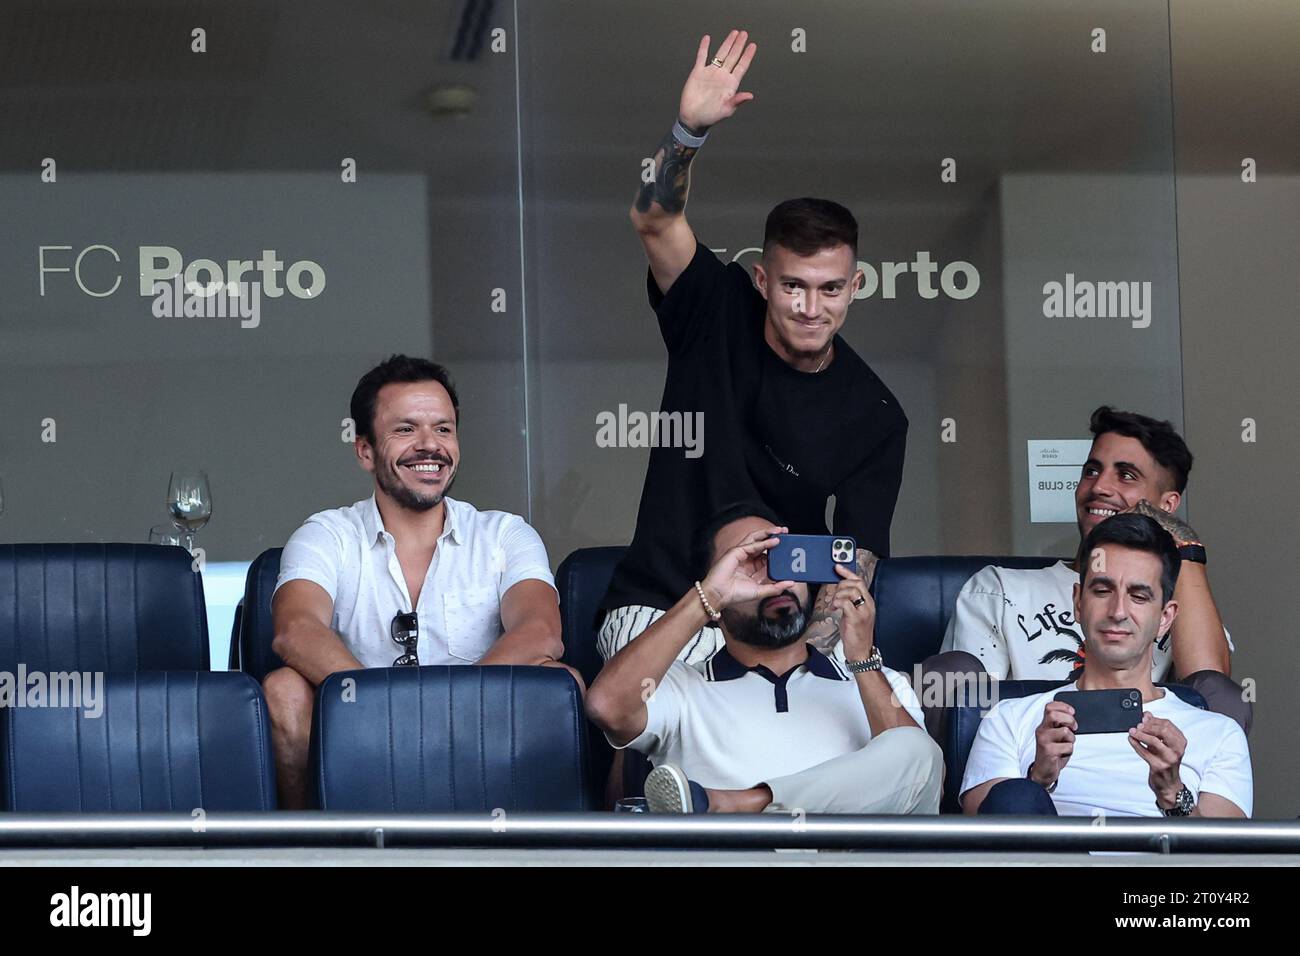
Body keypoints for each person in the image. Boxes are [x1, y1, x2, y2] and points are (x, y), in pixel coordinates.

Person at [599, 28, 908, 670]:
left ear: (855, 288)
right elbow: (653, 219)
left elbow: (853, 565)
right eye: (792, 285)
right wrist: (688, 131)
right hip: (660, 603)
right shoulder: (716, 309)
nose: (809, 306)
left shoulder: (876, 415)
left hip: (777, 628)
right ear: (763, 280)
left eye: (829, 289)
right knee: (685, 703)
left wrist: (812, 671)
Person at [264, 355, 576, 808]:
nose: (429, 446)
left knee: (560, 680)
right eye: (405, 429)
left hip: (479, 735)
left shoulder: (505, 533)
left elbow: (541, 632)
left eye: (443, 429)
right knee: (284, 690)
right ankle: (312, 854)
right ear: (365, 450)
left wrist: (448, 712)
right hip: (360, 738)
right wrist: (386, 714)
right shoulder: (326, 534)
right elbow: (296, 631)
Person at [587, 507, 942, 815]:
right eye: (747, 562)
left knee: (916, 748)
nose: (774, 577)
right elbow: (606, 706)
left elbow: (920, 779)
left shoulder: (879, 681)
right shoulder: (682, 688)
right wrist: (707, 597)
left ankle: (738, 804)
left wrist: (862, 660)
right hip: (735, 862)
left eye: (783, 556)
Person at [933, 406, 1248, 732]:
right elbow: (966, 724)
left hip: (1145, 767)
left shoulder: (1173, 602)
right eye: (1092, 471)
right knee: (951, 673)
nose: (1099, 487)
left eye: (1126, 475)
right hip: (1028, 766)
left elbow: (1213, 702)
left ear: (1166, 506)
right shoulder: (998, 588)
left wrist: (1187, 551)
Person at [961, 513, 1251, 818]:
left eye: (1138, 596)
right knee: (1016, 795)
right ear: (1078, 602)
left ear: (1165, 618)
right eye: (1102, 591)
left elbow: (1224, 855)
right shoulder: (1009, 719)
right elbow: (983, 842)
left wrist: (1173, 793)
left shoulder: (1219, 733)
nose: (1118, 611)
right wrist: (1039, 778)